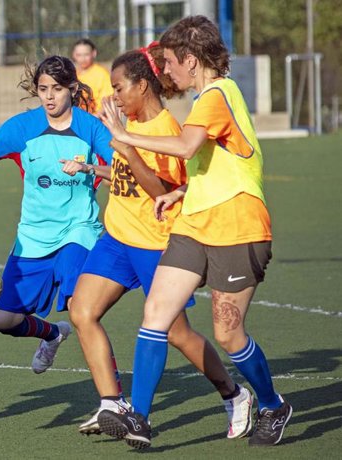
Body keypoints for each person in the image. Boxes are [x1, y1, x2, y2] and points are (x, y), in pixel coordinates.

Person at [98, 16, 292, 449]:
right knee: (156, 315)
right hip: (193, 225)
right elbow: (214, 160)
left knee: (228, 334)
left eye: (168, 62)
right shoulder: (206, 98)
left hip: (238, 226)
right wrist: (182, 189)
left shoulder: (219, 94)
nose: (164, 72)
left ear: (190, 59)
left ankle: (272, 403)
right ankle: (140, 420)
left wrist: (123, 136)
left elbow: (186, 146)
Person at [65, 43, 253, 441]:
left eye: (119, 87)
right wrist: (92, 166)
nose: (115, 95)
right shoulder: (127, 125)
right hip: (117, 237)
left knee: (176, 333)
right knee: (81, 310)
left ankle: (234, 394)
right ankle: (113, 404)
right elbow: (123, 178)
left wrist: (126, 144)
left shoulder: (167, 131)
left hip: (155, 244)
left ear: (143, 87)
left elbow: (158, 191)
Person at [0, 55, 112, 374]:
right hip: (33, 238)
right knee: (5, 320)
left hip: (78, 232)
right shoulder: (22, 128)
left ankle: (114, 400)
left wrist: (90, 167)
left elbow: (121, 171)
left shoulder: (90, 128)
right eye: (43, 89)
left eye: (57, 88)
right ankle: (53, 334)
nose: (49, 96)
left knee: (81, 311)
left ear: (72, 88)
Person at [72, 38, 114, 114]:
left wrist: (95, 118)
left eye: (86, 54)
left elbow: (108, 100)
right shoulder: (72, 74)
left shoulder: (102, 74)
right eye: (79, 55)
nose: (82, 59)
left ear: (94, 53)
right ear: (74, 55)